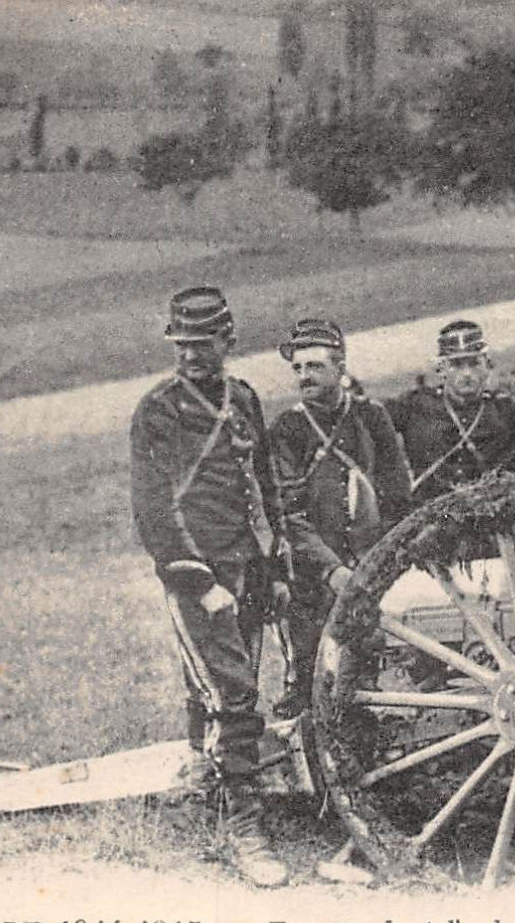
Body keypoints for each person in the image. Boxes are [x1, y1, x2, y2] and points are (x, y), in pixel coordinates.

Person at [129, 286, 292, 888]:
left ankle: (207, 781)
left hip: (248, 566)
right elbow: (151, 508)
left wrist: (272, 568)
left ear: (228, 341)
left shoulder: (243, 397)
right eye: (183, 345)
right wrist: (197, 581)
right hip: (198, 573)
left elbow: (264, 484)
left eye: (204, 344)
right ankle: (245, 830)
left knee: (220, 691)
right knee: (235, 695)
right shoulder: (158, 409)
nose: (193, 355)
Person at [268, 318, 410, 720]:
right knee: (307, 675)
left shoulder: (371, 417)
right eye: (297, 368)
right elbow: (287, 515)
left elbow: (397, 493)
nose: (303, 377)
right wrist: (330, 569)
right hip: (311, 572)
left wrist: (379, 559)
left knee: (362, 670)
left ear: (340, 368)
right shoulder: (288, 428)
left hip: (369, 561)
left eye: (314, 367)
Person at [390, 320, 515, 504]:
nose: (467, 373)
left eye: (474, 364)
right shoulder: (414, 405)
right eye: (456, 365)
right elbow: (367, 423)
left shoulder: (505, 407)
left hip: (496, 517)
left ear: (487, 366)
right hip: (431, 517)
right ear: (441, 369)